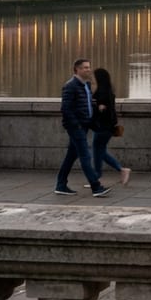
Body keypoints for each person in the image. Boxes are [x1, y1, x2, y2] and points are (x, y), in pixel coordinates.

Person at [54, 58, 111, 198]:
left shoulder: (85, 85)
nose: (88, 70)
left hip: (84, 125)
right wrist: (77, 124)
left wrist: (91, 120)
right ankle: (96, 187)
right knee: (85, 155)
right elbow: (65, 109)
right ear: (77, 70)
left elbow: (87, 104)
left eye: (89, 67)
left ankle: (61, 185)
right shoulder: (70, 86)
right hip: (76, 127)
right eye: (85, 68)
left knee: (71, 156)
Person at [90, 68, 131, 187]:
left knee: (98, 151)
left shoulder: (101, 94)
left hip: (103, 127)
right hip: (108, 127)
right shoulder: (108, 91)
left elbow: (100, 111)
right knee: (99, 151)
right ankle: (99, 176)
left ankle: (119, 170)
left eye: (94, 77)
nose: (92, 79)